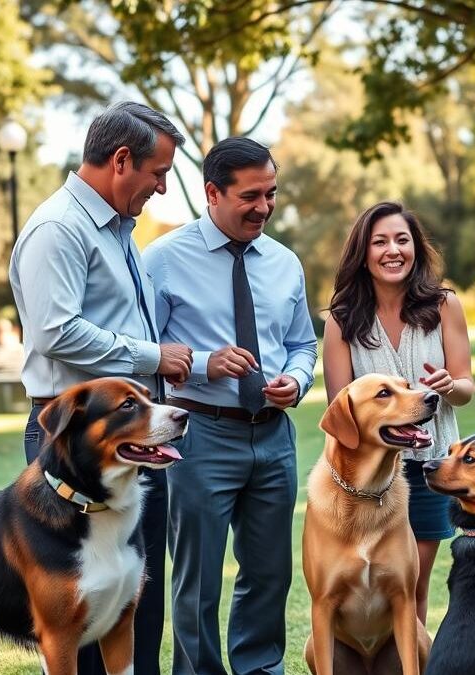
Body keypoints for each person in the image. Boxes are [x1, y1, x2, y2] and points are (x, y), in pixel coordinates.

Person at [8, 101, 191, 675]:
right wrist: (150, 356)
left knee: (134, 608)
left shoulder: (116, 229)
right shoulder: (59, 229)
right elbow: (55, 330)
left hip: (130, 445)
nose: (162, 189)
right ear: (120, 160)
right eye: (158, 173)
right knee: (77, 625)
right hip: (73, 446)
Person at [143, 137, 317, 675]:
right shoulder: (163, 260)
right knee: (197, 578)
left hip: (273, 434)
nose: (263, 208)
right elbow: (138, 350)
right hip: (199, 435)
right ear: (212, 193)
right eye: (250, 196)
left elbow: (302, 343)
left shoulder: (285, 262)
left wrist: (297, 378)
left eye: (270, 194)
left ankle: (259, 668)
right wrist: (201, 364)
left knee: (269, 574)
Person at [323, 200, 473, 624]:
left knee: (413, 588)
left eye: (402, 240)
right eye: (380, 241)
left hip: (429, 467)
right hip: (370, 482)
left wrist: (449, 385)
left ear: (416, 248)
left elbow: (464, 388)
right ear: (363, 253)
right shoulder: (341, 319)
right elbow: (343, 410)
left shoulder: (445, 306)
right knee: (367, 590)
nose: (393, 250)